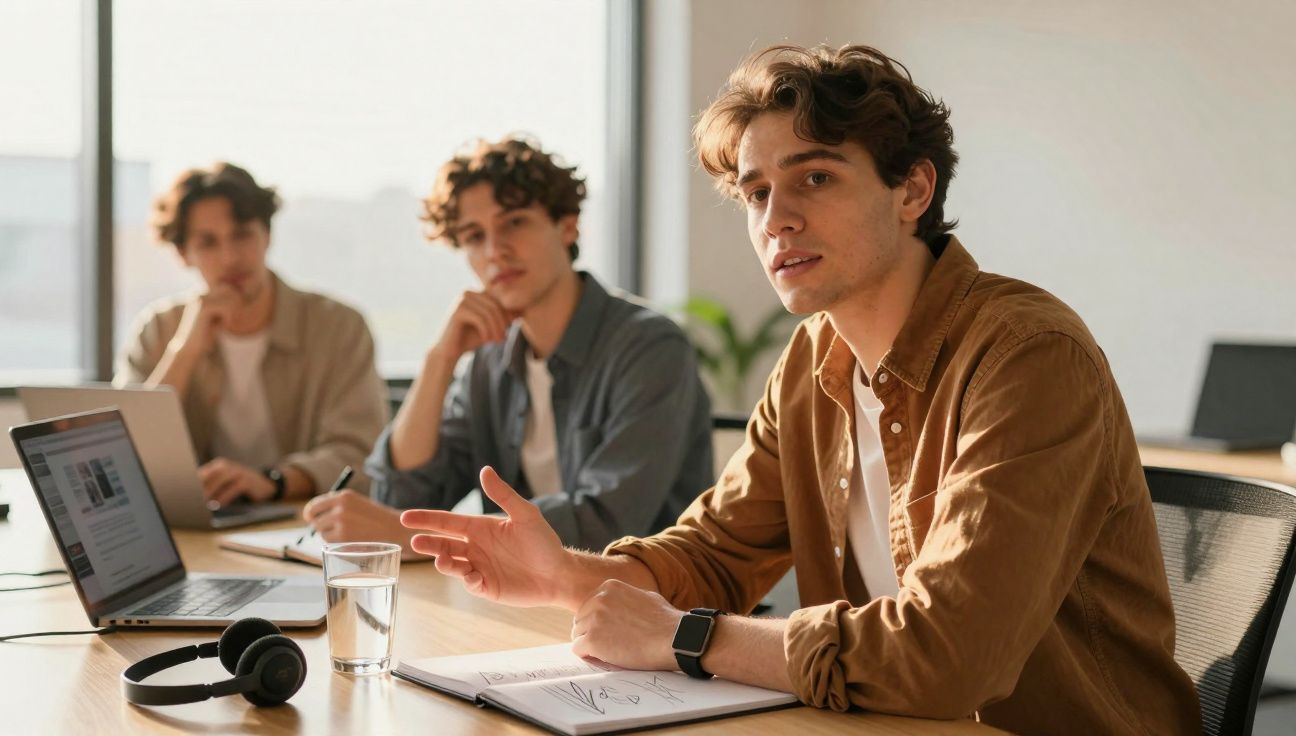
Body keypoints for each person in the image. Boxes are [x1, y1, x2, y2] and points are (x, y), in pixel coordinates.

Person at [399, 46, 1201, 734]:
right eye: (755, 193)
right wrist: (564, 576)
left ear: (912, 191)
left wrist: (688, 639)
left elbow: (950, 655)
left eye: (813, 177)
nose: (775, 219)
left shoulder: (1028, 355)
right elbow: (718, 553)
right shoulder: (814, 359)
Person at [302, 137, 713, 553]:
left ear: (566, 225)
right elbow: (402, 500)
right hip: (530, 604)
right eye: (474, 236)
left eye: (514, 222)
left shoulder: (650, 348)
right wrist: (439, 360)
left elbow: (607, 524)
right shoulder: (489, 361)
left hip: (652, 605)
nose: (495, 251)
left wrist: (405, 533)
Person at [115, 162, 388, 504]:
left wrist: (273, 482)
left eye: (242, 234)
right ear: (184, 254)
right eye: (208, 242)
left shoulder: (338, 327)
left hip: (304, 524)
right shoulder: (157, 329)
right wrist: (184, 352)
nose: (230, 257)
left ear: (267, 235)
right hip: (194, 527)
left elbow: (361, 451)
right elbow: (121, 457)